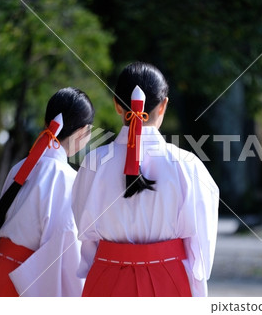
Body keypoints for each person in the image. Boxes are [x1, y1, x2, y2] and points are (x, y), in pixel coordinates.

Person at [72, 62, 219, 297]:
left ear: (117, 106)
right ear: (163, 106)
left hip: (107, 280)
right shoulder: (187, 165)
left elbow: (84, 230)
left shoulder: (93, 162)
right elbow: (200, 245)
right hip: (168, 281)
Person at [0, 87, 94, 297]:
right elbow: (66, 247)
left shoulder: (21, 167)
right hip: (24, 285)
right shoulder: (65, 178)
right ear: (83, 132)